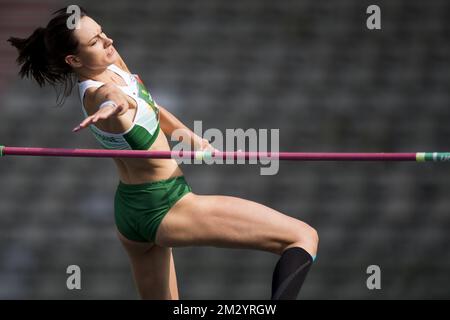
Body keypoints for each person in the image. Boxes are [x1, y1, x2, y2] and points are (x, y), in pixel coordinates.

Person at [8, 7, 319, 300]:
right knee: (302, 236)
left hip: (131, 211)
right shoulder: (95, 94)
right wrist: (111, 107)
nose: (108, 41)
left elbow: (148, 104)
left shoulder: (113, 64)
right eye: (96, 41)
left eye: (103, 33)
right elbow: (113, 98)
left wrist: (192, 139)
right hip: (165, 205)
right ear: (74, 60)